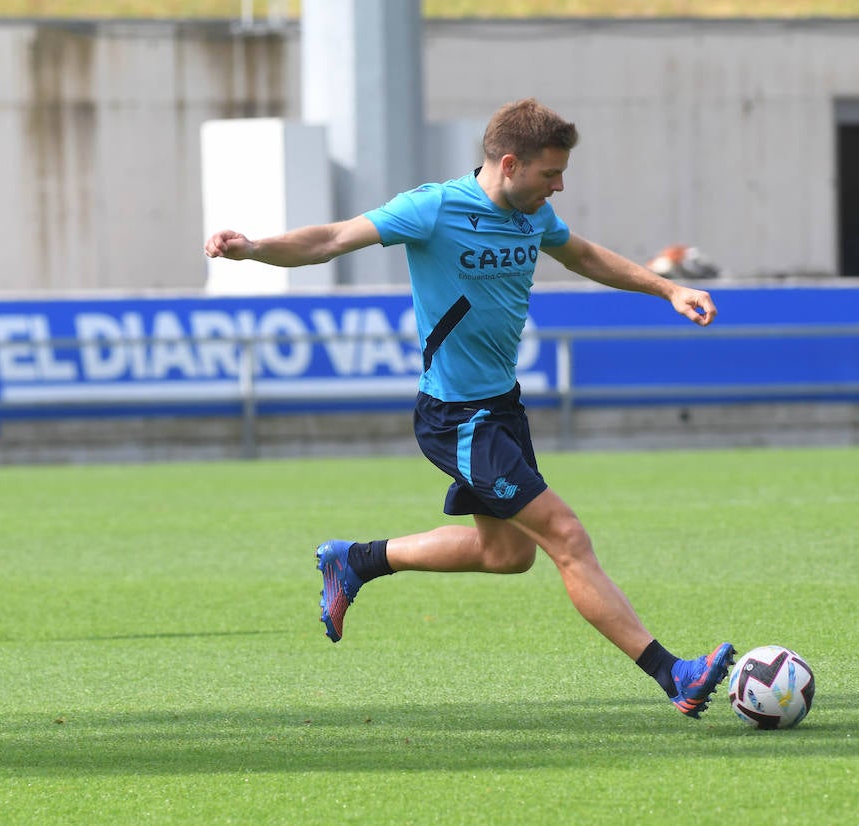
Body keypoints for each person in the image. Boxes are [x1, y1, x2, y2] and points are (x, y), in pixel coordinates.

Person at [203, 98, 733, 718]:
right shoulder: (434, 207)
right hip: (457, 418)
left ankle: (356, 559)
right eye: (549, 174)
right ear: (508, 164)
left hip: (501, 408)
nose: (558, 186)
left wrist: (669, 287)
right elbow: (331, 239)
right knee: (567, 536)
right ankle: (675, 675)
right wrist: (253, 248)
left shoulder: (535, 214)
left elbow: (584, 256)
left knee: (508, 554)